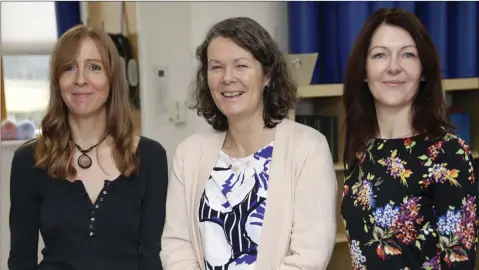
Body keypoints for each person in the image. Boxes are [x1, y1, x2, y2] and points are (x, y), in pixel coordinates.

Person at [160, 17, 338, 270]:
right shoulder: (189, 154)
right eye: (216, 67)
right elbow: (177, 246)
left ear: (267, 75)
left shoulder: (308, 148)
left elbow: (308, 256)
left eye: (241, 65)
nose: (227, 78)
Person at [8, 25, 168, 270]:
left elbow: (151, 257)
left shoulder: (150, 157)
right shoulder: (29, 160)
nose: (80, 79)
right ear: (57, 81)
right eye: (69, 68)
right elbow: (21, 260)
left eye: (94, 67)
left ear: (112, 78)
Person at [341, 8, 478, 269]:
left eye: (408, 54)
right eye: (380, 55)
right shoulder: (360, 150)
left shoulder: (449, 152)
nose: (394, 67)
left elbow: (459, 260)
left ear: (424, 70)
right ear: (364, 72)